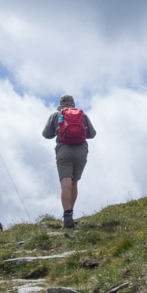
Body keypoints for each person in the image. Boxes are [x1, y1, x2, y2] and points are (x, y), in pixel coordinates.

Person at [42, 93, 96, 229]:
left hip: (64, 149)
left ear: (60, 103)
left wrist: (59, 130)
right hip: (81, 150)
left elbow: (46, 134)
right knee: (74, 182)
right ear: (73, 104)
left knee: (65, 182)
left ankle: (67, 216)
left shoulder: (56, 115)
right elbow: (92, 134)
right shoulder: (82, 115)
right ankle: (71, 212)